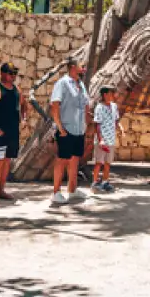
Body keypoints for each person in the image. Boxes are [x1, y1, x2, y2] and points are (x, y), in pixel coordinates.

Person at [47, 57, 89, 206]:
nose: (83, 68)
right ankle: (56, 192)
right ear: (72, 67)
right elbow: (55, 105)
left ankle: (72, 190)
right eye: (81, 66)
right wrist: (59, 127)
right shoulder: (62, 83)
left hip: (79, 129)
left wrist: (85, 125)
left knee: (75, 159)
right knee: (62, 159)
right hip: (66, 128)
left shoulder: (81, 85)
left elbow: (85, 105)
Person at [0, 62, 26, 205]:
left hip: (13, 132)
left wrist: (24, 118)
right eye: (10, 73)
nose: (13, 76)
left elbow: (23, 103)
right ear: (2, 73)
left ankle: (2, 189)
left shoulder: (16, 89)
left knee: (7, 161)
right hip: (0, 133)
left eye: (15, 73)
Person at [91, 85, 123, 193]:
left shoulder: (114, 106)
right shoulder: (99, 107)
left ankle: (105, 182)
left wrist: (121, 129)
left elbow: (116, 120)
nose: (113, 95)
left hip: (111, 139)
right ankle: (94, 183)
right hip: (102, 139)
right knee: (99, 162)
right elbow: (97, 124)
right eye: (110, 93)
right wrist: (100, 140)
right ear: (104, 95)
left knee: (108, 162)